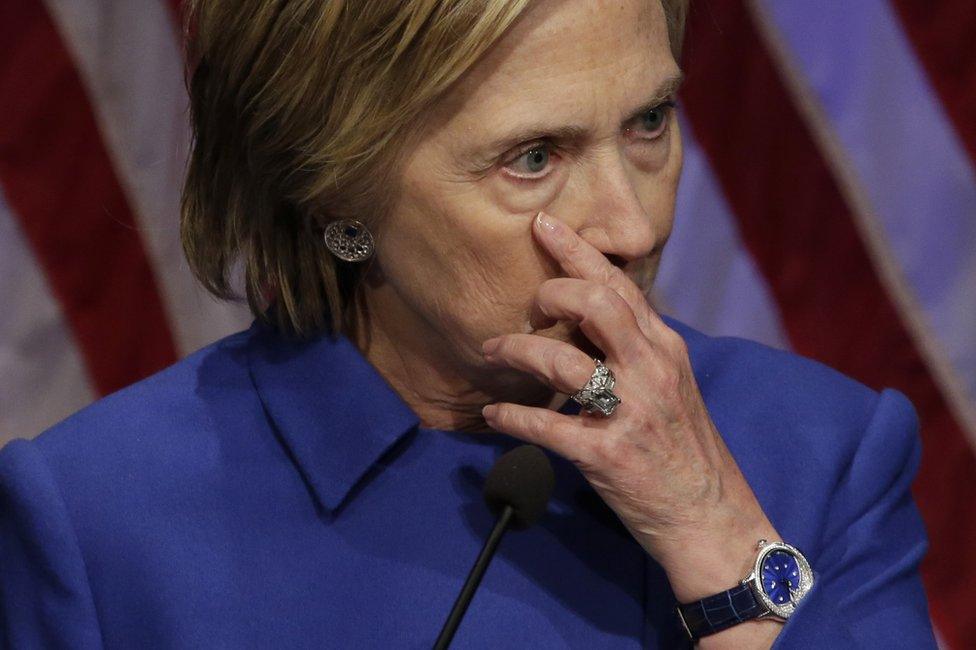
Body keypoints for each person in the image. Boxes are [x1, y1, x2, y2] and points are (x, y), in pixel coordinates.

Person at [0, 0, 936, 647]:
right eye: (534, 157)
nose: (634, 225)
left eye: (649, 120)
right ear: (337, 189)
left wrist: (718, 540)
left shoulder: (820, 453)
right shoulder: (100, 522)